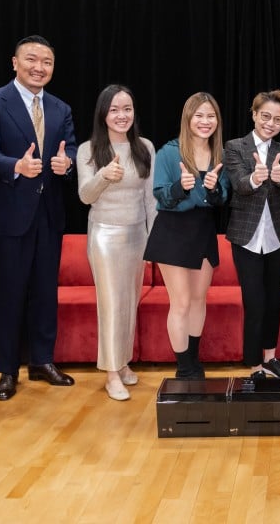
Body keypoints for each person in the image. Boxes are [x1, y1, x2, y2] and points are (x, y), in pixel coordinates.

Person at [0, 35, 78, 401]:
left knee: (45, 294)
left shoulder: (61, 108)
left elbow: (72, 148)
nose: (39, 67)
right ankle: (7, 370)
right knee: (10, 295)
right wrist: (16, 166)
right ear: (14, 62)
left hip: (49, 215)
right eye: (32, 59)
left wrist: (68, 164)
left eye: (47, 61)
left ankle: (42, 361)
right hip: (9, 217)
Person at [77, 85, 157, 401]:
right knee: (111, 304)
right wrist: (103, 176)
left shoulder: (145, 147)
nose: (121, 115)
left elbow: (151, 200)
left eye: (127, 109)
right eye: (114, 109)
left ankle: (122, 363)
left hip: (137, 235)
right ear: (103, 114)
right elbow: (85, 195)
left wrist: (153, 242)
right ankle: (111, 374)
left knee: (129, 302)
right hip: (105, 236)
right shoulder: (89, 150)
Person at [144, 92, 230, 379]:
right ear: (188, 118)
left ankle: (193, 361)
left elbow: (223, 197)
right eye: (199, 115)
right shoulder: (169, 152)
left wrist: (215, 188)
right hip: (173, 230)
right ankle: (184, 368)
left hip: (203, 229)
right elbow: (160, 195)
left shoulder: (220, 154)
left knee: (198, 300)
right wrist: (181, 187)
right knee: (179, 302)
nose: (205, 121)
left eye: (211, 116)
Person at [224, 90, 280, 380]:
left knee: (274, 300)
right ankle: (254, 365)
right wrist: (256, 177)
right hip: (246, 238)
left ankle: (270, 357)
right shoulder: (234, 147)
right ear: (254, 114)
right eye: (265, 116)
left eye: (277, 119)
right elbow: (239, 182)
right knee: (254, 302)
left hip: (277, 236)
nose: (270, 123)